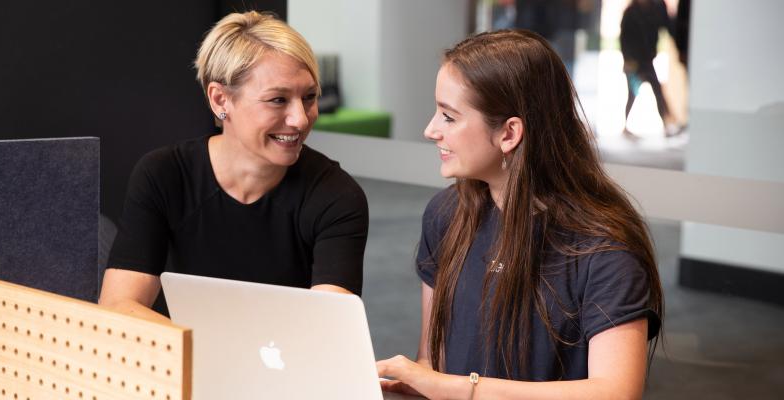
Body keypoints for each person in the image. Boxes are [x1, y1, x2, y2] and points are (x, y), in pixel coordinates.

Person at [376, 30, 663, 399]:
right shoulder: (445, 216)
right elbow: (435, 365)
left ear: (509, 133)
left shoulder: (603, 250)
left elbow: (615, 393)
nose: (430, 130)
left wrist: (463, 389)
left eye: (448, 116)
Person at [98, 11, 369, 323]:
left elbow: (328, 328)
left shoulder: (337, 196)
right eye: (278, 100)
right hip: (179, 364)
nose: (301, 119)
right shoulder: (164, 174)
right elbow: (118, 308)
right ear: (220, 100)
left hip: (281, 369)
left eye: (309, 97)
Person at [620, 0, 680, 137]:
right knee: (632, 94)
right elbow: (624, 37)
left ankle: (666, 123)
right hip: (634, 61)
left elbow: (668, 27)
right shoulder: (631, 12)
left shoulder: (657, 9)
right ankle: (626, 125)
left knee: (657, 91)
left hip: (647, 59)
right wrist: (628, 59)